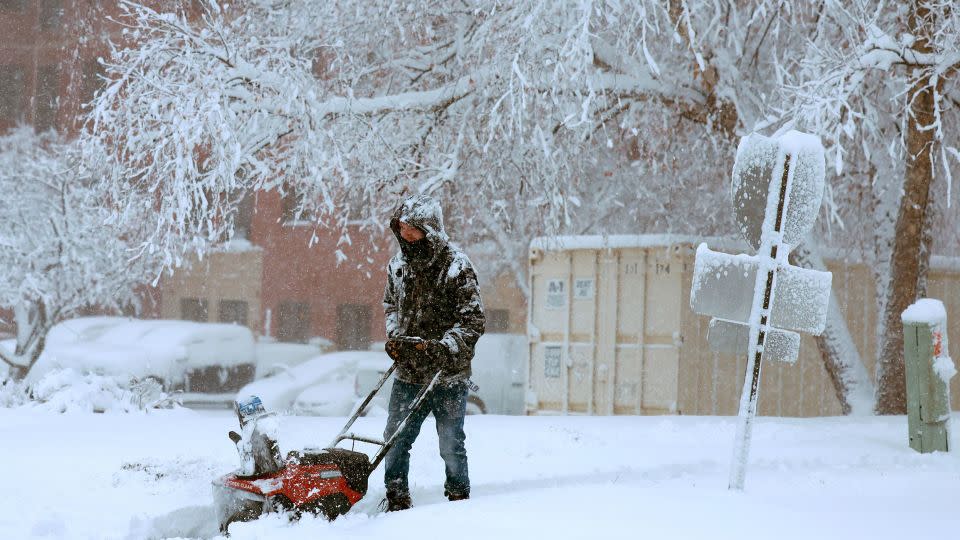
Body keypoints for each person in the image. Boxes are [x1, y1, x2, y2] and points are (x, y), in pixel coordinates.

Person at [380, 194, 485, 511]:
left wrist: (444, 347)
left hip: (449, 375)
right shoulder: (398, 267)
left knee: (451, 442)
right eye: (401, 227)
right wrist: (396, 337)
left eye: (411, 228)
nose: (405, 233)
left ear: (429, 229)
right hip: (410, 371)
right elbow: (390, 307)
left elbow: (472, 320)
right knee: (396, 438)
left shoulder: (457, 267)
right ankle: (396, 496)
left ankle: (458, 498)